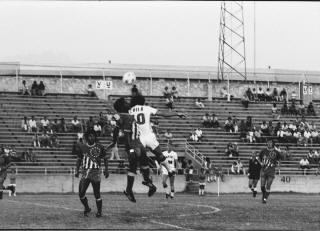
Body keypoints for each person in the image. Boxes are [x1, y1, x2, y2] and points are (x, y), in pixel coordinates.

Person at [129, 94, 186, 178]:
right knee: (159, 155)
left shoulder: (130, 111)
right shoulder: (147, 108)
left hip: (138, 138)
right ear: (142, 101)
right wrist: (176, 114)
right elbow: (162, 114)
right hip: (149, 136)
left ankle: (141, 174)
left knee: (139, 157)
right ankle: (170, 170)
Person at [112, 97, 156, 203]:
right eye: (126, 102)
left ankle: (147, 182)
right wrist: (130, 149)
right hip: (132, 144)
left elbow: (117, 128)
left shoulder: (129, 114)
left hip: (138, 142)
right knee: (133, 166)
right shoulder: (122, 115)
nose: (128, 103)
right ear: (122, 106)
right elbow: (122, 131)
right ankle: (130, 189)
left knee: (144, 163)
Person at [74, 130, 110, 217]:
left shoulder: (100, 147)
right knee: (81, 193)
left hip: (95, 172)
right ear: (87, 137)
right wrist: (77, 170)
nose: (91, 137)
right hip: (85, 172)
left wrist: (106, 169)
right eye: (89, 136)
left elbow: (105, 158)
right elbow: (79, 159)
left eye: (93, 136)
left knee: (97, 193)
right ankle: (87, 208)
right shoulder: (83, 147)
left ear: (95, 137)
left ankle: (99, 212)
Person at [258, 140, 284, 204]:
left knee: (268, 185)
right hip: (263, 170)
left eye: (270, 143)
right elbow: (259, 158)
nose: (269, 144)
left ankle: (265, 199)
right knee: (262, 186)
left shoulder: (276, 152)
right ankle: (264, 195)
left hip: (271, 170)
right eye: (268, 143)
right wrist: (261, 163)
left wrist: (279, 167)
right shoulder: (263, 150)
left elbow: (280, 159)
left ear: (273, 144)